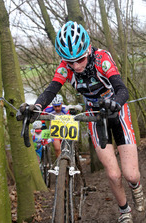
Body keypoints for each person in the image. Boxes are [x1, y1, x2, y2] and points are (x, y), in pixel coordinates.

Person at [17, 21, 145, 222]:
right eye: (70, 62)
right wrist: (37, 107)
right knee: (113, 174)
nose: (75, 66)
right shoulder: (65, 67)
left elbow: (122, 90)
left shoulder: (102, 59)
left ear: (88, 49)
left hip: (116, 109)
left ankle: (136, 186)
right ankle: (124, 211)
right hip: (94, 113)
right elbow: (51, 90)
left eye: (80, 59)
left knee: (131, 175)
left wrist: (115, 103)